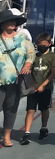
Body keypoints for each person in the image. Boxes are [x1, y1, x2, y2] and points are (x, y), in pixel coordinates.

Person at [0, 9, 34, 147]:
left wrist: (27, 65)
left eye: (14, 21)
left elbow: (31, 54)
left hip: (16, 80)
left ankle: (7, 137)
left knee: (11, 109)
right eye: (10, 20)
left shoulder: (22, 38)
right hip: (0, 80)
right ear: (2, 24)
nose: (13, 22)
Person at [21, 32, 55, 145]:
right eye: (40, 44)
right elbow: (30, 69)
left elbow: (53, 73)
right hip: (33, 88)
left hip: (46, 88)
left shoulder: (52, 56)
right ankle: (27, 132)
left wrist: (43, 85)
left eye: (44, 44)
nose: (42, 46)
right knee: (30, 110)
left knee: (44, 109)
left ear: (49, 44)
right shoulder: (35, 56)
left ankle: (43, 128)